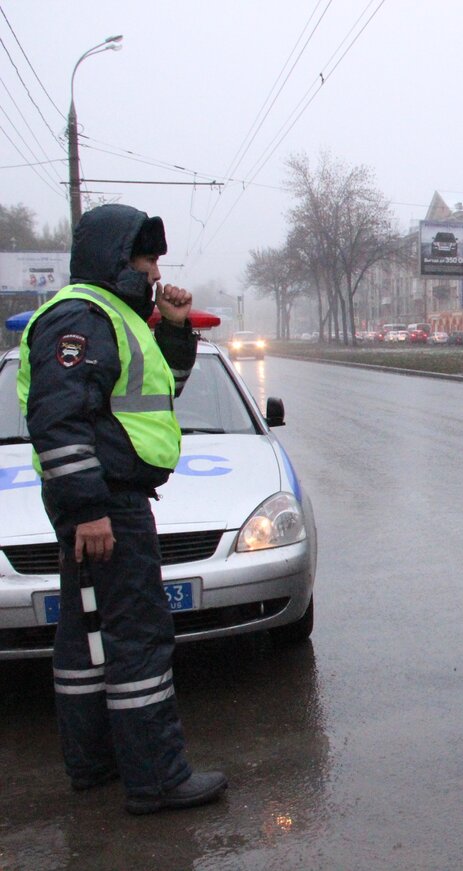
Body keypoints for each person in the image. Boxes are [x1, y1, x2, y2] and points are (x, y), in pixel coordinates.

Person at [17, 204, 228, 815]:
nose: (156, 267)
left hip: (104, 499)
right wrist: (87, 509)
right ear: (116, 257)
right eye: (146, 256)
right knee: (138, 635)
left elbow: (161, 391)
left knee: (87, 636)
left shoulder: (117, 317)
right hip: (106, 503)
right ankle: (157, 778)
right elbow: (59, 420)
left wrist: (176, 327)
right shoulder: (81, 316)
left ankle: (96, 763)